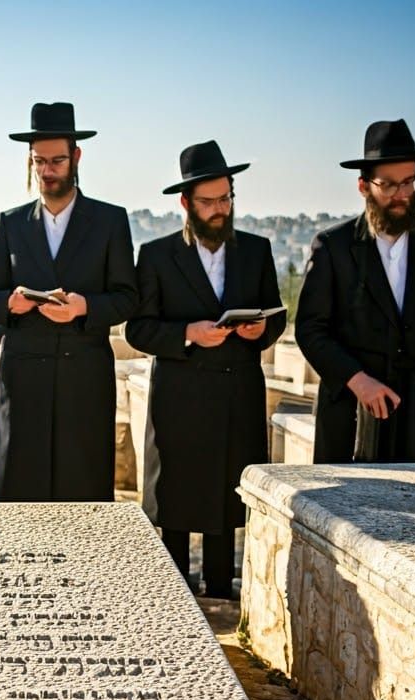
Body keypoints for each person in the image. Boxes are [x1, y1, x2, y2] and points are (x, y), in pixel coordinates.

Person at [126, 141, 285, 597]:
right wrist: (189, 334)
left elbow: (276, 315)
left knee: (225, 501)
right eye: (209, 201)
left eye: (226, 199)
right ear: (186, 203)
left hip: (237, 396)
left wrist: (262, 332)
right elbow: (138, 329)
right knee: (175, 502)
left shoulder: (256, 250)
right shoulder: (156, 255)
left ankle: (220, 588)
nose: (219, 210)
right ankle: (175, 593)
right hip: (180, 397)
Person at [0, 101, 138, 500]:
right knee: (20, 490)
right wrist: (11, 304)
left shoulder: (110, 220)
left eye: (57, 161)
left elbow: (127, 298)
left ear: (77, 157)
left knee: (83, 491)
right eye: (39, 162)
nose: (48, 171)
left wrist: (84, 307)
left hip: (83, 378)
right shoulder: (12, 221)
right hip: (23, 378)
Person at [296, 119, 415, 462]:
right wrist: (358, 380)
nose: (402, 194)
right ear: (363, 186)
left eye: (409, 182)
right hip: (352, 413)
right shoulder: (332, 246)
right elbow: (311, 330)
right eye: (388, 185)